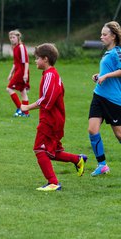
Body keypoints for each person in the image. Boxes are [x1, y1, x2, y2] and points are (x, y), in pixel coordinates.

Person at [21, 43, 87, 191]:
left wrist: (27, 107)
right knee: (52, 152)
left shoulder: (50, 75)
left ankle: (53, 182)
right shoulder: (51, 74)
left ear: (45, 59)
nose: (35, 61)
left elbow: (46, 100)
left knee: (39, 149)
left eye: (37, 58)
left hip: (50, 120)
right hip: (53, 118)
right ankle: (78, 159)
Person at [88, 21, 121, 176]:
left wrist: (106, 76)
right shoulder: (107, 52)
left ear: (113, 36)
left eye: (104, 34)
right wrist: (99, 76)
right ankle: (102, 165)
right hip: (98, 96)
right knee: (92, 130)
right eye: (101, 34)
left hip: (113, 99)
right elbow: (107, 71)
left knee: (119, 134)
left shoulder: (118, 52)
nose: (101, 37)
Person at [6, 30, 30, 117]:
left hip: (21, 71)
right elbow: (15, 62)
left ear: (18, 38)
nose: (12, 39)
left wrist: (25, 74)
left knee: (9, 88)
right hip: (18, 71)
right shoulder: (15, 48)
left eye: (13, 37)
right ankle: (26, 113)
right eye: (10, 38)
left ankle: (20, 109)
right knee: (23, 91)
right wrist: (10, 73)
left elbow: (26, 62)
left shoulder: (21, 47)